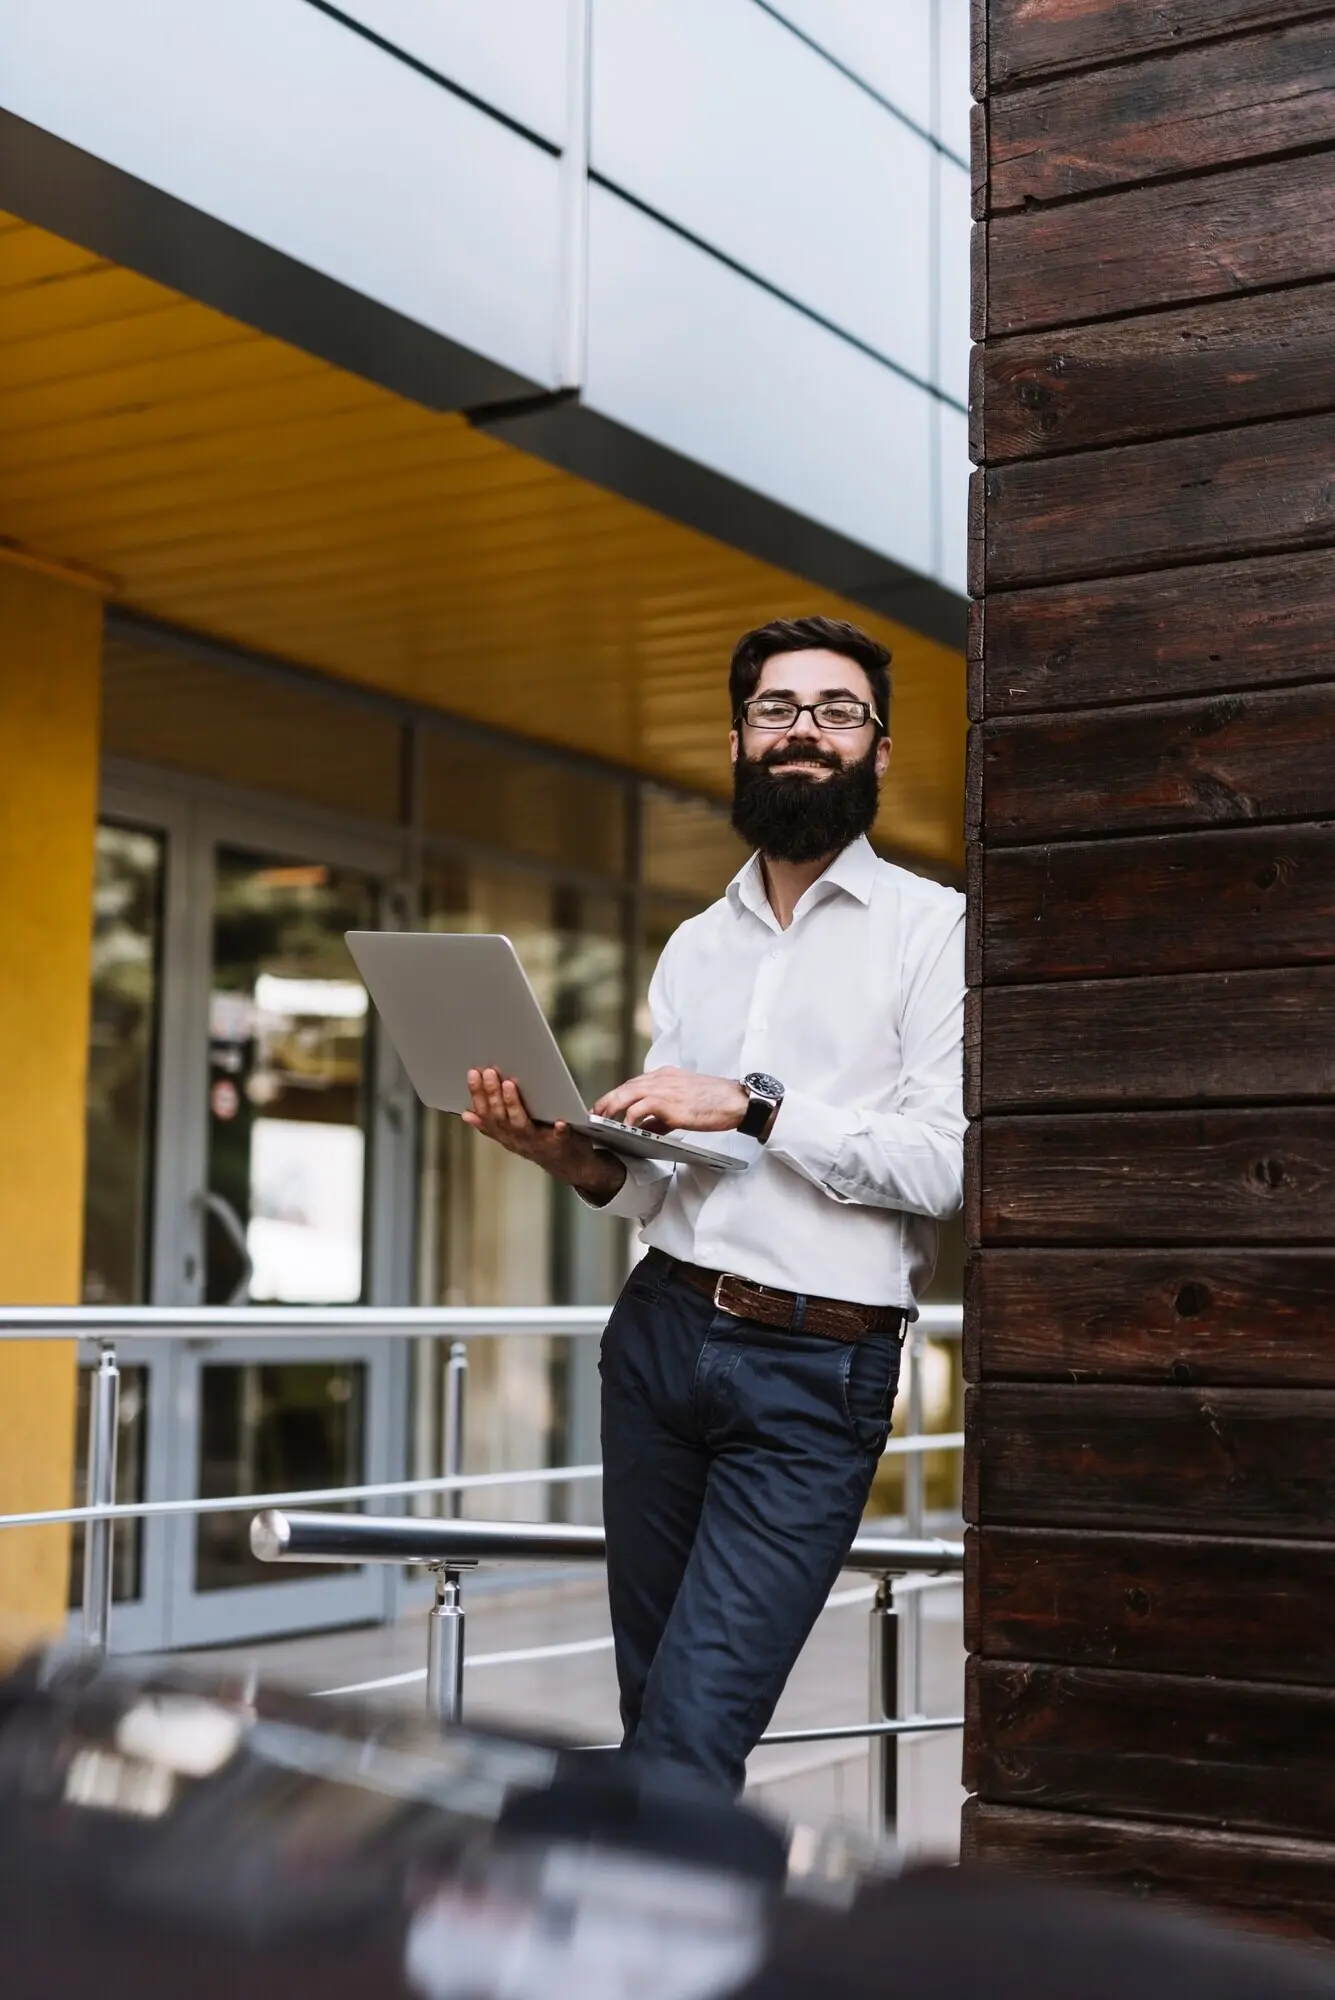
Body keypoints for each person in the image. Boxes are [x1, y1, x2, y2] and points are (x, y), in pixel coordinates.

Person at [463, 615, 965, 1795]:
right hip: (659, 1336)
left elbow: (942, 1167)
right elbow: (660, 1178)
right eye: (778, 709)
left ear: (879, 753)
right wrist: (567, 1154)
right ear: (739, 738)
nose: (806, 731)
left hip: (813, 1371)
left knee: (689, 1742)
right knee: (656, 1724)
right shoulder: (696, 946)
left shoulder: (934, 932)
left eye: (837, 711)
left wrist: (751, 1100)